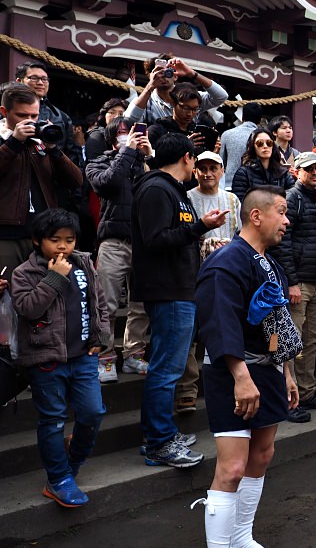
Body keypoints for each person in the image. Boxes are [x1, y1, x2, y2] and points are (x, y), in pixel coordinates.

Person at [192, 185, 301, 548]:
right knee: (233, 467)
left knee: (262, 454)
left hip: (267, 367)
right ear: (257, 216)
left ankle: (241, 536)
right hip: (232, 372)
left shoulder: (269, 264)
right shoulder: (224, 264)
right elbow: (219, 324)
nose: (287, 220)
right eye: (281, 212)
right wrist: (241, 376)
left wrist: (285, 370)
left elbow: (275, 325)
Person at [132, 133, 228, 468]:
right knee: (166, 369)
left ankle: (160, 434)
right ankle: (159, 441)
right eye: (195, 161)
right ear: (187, 158)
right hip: (168, 290)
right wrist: (200, 226)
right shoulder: (157, 188)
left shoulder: (171, 190)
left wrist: (199, 229)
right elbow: (156, 239)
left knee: (168, 367)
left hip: (180, 289)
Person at [11, 208, 111, 508]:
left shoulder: (83, 263)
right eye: (55, 240)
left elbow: (101, 304)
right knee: (53, 420)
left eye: (69, 239)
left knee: (92, 413)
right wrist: (54, 278)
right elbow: (28, 309)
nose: (63, 246)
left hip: (83, 357)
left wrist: (102, 339)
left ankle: (72, 463)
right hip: (46, 360)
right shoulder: (24, 273)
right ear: (38, 241)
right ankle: (58, 479)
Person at [86, 118, 154, 382]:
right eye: (125, 133)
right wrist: (127, 154)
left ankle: (134, 354)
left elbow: (165, 190)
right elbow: (108, 183)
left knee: (140, 304)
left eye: (135, 133)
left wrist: (148, 159)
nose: (131, 137)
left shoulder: (144, 163)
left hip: (144, 243)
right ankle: (104, 357)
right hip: (113, 240)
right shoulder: (99, 162)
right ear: (113, 138)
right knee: (107, 303)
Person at [273, 151, 316, 417]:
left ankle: (307, 392)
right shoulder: (292, 198)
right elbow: (283, 243)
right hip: (299, 284)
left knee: (310, 341)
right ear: (297, 172)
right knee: (290, 342)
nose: (314, 174)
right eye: (309, 169)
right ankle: (285, 398)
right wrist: (292, 282)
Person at [177, 151, 242, 414]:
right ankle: (187, 390)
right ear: (195, 171)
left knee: (225, 328)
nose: (207, 173)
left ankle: (228, 385)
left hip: (226, 272)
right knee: (192, 333)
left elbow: (239, 232)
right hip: (196, 271)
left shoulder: (232, 199)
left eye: (212, 168)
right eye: (202, 168)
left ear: (222, 170)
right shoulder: (188, 197)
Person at [0, 84, 84, 282]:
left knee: (43, 296)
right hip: (6, 236)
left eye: (34, 116)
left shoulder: (39, 144)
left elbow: (76, 180)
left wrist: (53, 149)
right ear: (4, 112)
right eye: (22, 115)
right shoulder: (4, 142)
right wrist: (13, 142)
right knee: (6, 299)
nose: (29, 121)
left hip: (41, 235)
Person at [124, 53, 227, 127]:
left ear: (175, 76)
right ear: (150, 76)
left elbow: (221, 96)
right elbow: (129, 121)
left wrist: (192, 73)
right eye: (158, 72)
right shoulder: (145, 102)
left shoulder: (191, 97)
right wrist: (150, 86)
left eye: (168, 72)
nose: (163, 76)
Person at [14, 62, 78, 165]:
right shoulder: (6, 112)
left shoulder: (61, 117)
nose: (40, 83)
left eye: (44, 79)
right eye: (34, 78)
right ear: (19, 81)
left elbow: (72, 155)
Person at [147, 83, 216, 153]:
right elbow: (150, 159)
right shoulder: (157, 131)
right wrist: (184, 147)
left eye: (195, 109)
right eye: (186, 108)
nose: (190, 114)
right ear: (173, 103)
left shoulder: (197, 133)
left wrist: (213, 153)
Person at [230, 128, 295, 202]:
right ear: (253, 146)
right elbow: (240, 203)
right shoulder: (243, 173)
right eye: (260, 143)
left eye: (269, 143)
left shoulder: (283, 173)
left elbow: (291, 201)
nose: (265, 146)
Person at [219, 102, 264, 189]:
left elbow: (221, 162)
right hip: (254, 186)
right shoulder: (264, 138)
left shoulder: (227, 134)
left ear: (242, 117)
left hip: (230, 184)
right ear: (260, 120)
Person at [84, 98, 126, 163]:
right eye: (112, 112)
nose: (117, 117)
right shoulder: (96, 137)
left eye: (121, 114)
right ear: (104, 115)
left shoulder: (130, 135)